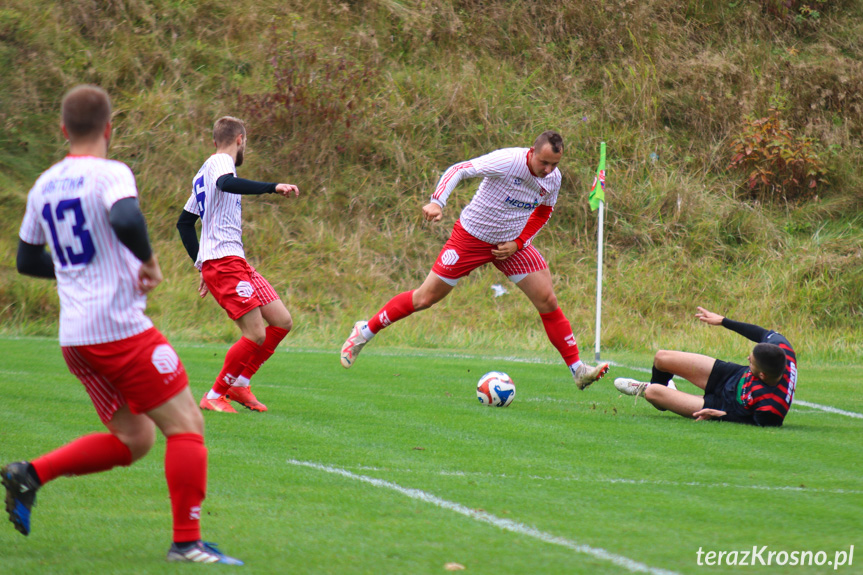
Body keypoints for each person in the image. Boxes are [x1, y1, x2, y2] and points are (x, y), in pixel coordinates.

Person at [3, 85, 242, 564]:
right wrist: (149, 261)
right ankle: (187, 543)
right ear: (108, 129)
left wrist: (77, 270)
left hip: (76, 340)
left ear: (63, 130)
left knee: (136, 439)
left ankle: (29, 475)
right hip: (118, 329)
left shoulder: (44, 184)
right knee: (187, 426)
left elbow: (27, 258)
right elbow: (127, 216)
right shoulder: (111, 172)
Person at [340, 131, 609, 389]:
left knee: (547, 299)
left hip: (511, 244)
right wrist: (437, 202)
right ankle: (364, 331)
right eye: (544, 162)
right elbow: (460, 169)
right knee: (424, 299)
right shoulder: (508, 161)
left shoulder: (553, 178)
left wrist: (518, 243)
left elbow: (543, 213)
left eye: (554, 164)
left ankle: (578, 370)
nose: (548, 170)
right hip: (471, 238)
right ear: (532, 152)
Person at [176, 116, 299, 413]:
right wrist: (272, 187)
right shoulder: (220, 164)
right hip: (224, 261)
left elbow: (184, 223)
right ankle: (215, 394)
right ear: (240, 139)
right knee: (255, 333)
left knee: (281, 321)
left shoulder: (202, 173)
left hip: (231, 260)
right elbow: (226, 183)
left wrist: (200, 263)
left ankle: (240, 384)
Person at [613, 307, 797, 427]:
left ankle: (656, 393)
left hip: (722, 405)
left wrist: (721, 415)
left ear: (763, 376)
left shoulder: (772, 409)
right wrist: (724, 321)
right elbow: (762, 333)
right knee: (662, 358)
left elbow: (751, 422)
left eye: (751, 362)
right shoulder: (783, 348)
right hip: (730, 376)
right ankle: (666, 393)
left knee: (652, 392)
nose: (748, 358)